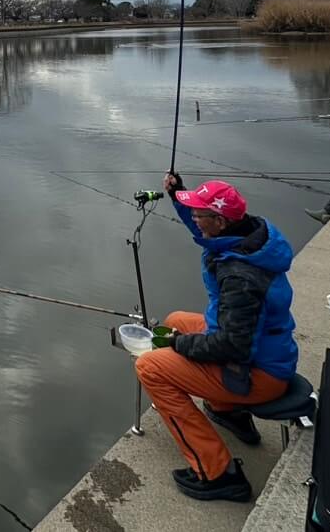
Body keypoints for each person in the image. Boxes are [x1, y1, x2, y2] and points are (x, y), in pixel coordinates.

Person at [133, 174, 299, 503]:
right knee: (177, 319)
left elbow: (233, 346)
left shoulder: (240, 276)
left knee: (150, 366)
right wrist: (178, 195)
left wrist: (179, 344)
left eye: (199, 213)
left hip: (258, 372)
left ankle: (217, 473)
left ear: (220, 221)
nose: (193, 218)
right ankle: (228, 411)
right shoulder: (249, 236)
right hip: (269, 350)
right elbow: (203, 231)